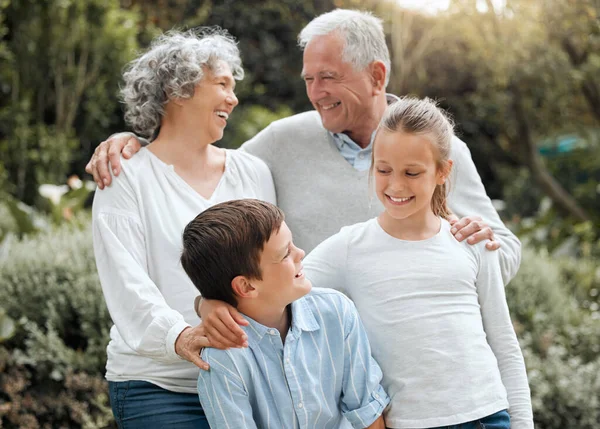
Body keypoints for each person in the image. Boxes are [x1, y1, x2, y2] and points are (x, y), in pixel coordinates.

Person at [86, 9, 522, 345]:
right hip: (321, 359)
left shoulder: (440, 151)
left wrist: (464, 247)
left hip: (418, 350)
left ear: (376, 75)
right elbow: (195, 165)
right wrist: (134, 140)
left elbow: (503, 252)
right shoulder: (281, 141)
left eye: (329, 77)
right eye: (309, 79)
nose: (316, 93)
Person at [303, 98, 533, 428]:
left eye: (412, 172)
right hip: (407, 422)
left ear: (443, 171)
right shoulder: (348, 248)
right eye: (383, 170)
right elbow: (278, 293)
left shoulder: (472, 243)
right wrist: (209, 303)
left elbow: (504, 344)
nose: (396, 185)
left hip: (487, 417)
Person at [91, 29, 276, 429]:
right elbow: (126, 283)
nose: (234, 97)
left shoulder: (252, 172)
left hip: (244, 379)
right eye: (222, 84)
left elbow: (273, 267)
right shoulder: (126, 178)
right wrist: (182, 335)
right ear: (178, 90)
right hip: (159, 386)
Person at [180, 199, 389, 429]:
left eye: (293, 244)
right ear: (247, 287)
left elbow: (368, 414)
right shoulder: (224, 360)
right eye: (285, 254)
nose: (300, 253)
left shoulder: (337, 312)